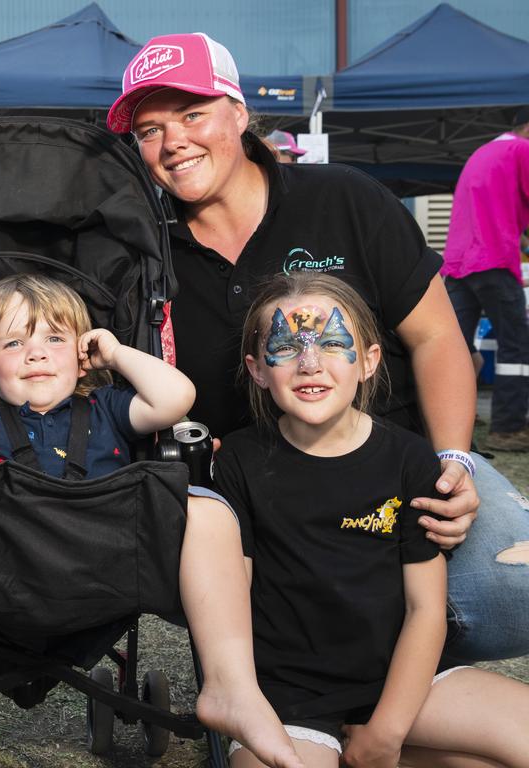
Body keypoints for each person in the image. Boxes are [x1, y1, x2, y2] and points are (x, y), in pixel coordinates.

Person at [107, 32, 529, 665]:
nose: (173, 144)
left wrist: (453, 461)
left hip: (398, 460)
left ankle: (377, 689)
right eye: (148, 130)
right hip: (256, 491)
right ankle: (342, 691)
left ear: (239, 113)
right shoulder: (139, 252)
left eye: (192, 115)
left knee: (512, 593)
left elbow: (438, 337)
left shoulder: (344, 199)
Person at [0, 274, 305, 768]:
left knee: (210, 510)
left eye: (54, 338)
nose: (36, 352)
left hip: (105, 563)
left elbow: (177, 398)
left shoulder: (107, 409)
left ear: (81, 356)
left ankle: (231, 685)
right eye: (13, 342)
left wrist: (113, 354)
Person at [215, 271, 529, 766]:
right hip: (288, 700)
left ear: (368, 361)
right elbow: (229, 606)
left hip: (404, 683)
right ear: (257, 370)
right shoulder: (236, 462)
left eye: (334, 343)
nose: (310, 363)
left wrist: (386, 734)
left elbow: (427, 611)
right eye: (288, 347)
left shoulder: (409, 458)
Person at [442, 106, 529, 451]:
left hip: (459, 262)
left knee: (452, 348)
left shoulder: (486, 150)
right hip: (492, 258)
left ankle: (439, 423)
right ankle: (508, 428)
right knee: (515, 347)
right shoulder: (521, 150)